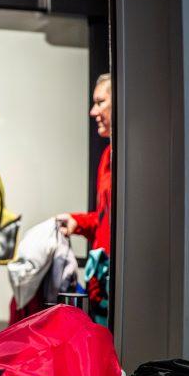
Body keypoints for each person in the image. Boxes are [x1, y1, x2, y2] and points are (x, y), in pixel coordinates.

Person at [57, 73, 113, 311]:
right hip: (100, 285)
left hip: (116, 285)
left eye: (100, 102)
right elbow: (104, 221)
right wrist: (76, 222)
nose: (93, 112)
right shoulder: (108, 156)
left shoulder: (129, 161)